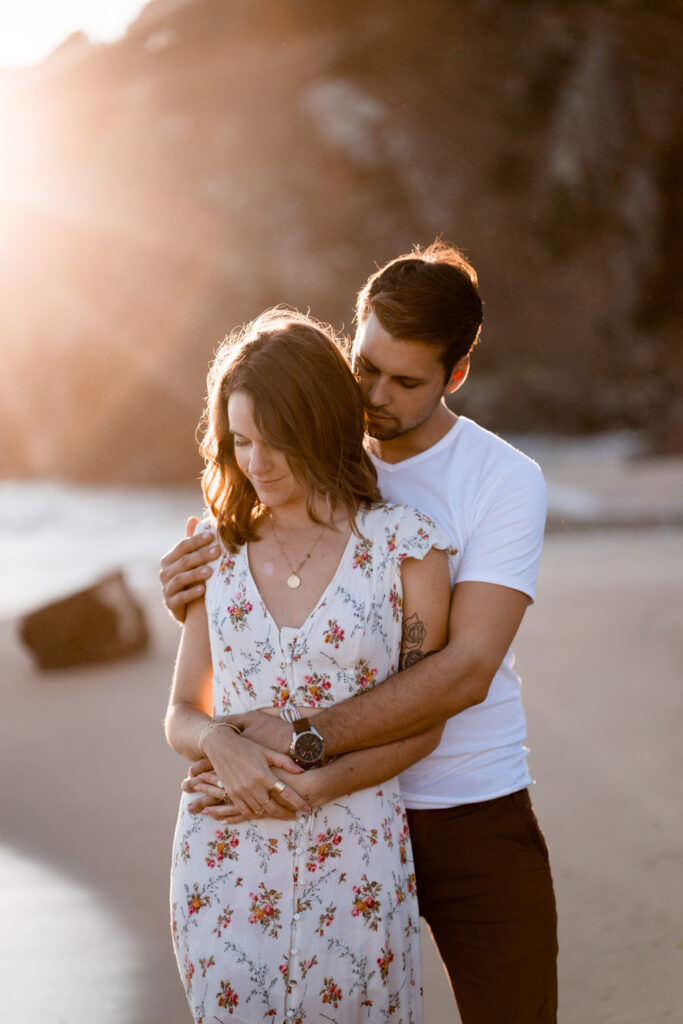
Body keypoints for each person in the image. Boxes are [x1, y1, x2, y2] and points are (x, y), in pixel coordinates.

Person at [161, 243, 558, 1023]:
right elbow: (238, 591)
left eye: (404, 381)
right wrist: (188, 588)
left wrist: (303, 743)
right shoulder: (298, 451)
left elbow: (466, 669)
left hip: (463, 805)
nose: (373, 394)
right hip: (291, 822)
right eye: (363, 364)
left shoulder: (499, 481)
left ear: (456, 376)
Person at [164, 308, 453, 1024]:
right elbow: (181, 711)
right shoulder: (214, 551)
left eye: (275, 442)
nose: (255, 464)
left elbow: (423, 723)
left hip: (355, 845)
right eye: (240, 442)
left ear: (321, 425)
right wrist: (221, 745)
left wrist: (315, 787)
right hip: (224, 851)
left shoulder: (404, 547)